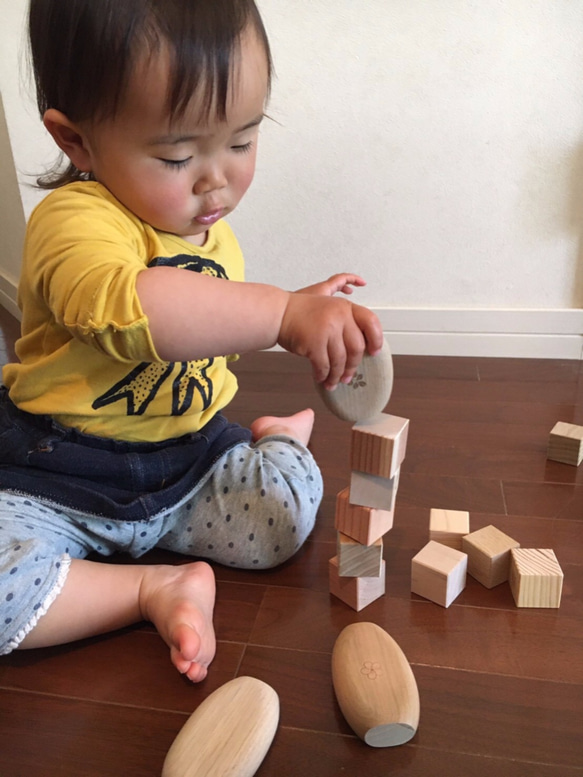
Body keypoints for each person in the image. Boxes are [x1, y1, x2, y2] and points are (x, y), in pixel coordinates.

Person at [0, 0, 383, 682]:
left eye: (241, 141)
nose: (217, 179)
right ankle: (152, 589)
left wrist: (297, 306)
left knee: (286, 519)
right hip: (62, 471)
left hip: (190, 461)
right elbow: (130, 310)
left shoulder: (207, 228)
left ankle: (281, 440)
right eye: (177, 154)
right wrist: (280, 313)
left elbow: (207, 320)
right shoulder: (71, 221)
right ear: (75, 140)